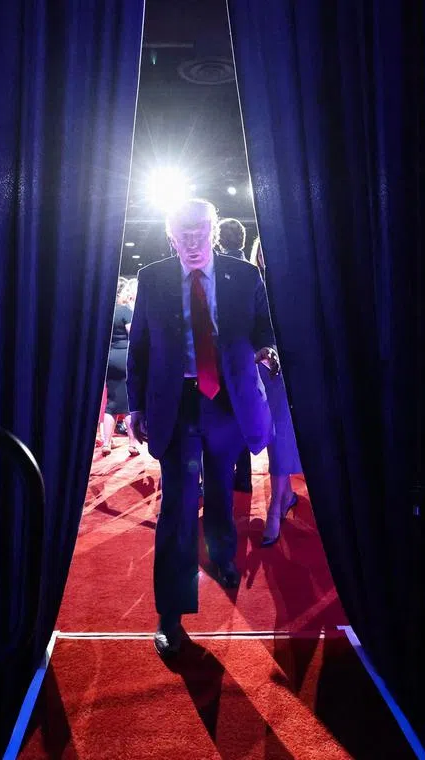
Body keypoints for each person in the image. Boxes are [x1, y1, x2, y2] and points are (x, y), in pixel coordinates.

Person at [126, 199, 280, 656]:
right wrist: (135, 406)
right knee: (176, 503)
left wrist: (267, 351)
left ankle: (222, 556)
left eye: (199, 232)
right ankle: (170, 613)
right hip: (176, 403)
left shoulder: (245, 277)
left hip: (228, 402)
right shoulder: (152, 278)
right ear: (170, 236)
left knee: (221, 487)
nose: (192, 242)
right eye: (182, 233)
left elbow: (265, 329)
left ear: (213, 232)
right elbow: (140, 347)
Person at [250, 237, 303, 546]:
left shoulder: (297, 285)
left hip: (292, 368)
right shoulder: (253, 286)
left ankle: (276, 505)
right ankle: (282, 498)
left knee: (282, 435)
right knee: (275, 436)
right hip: (263, 369)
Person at [217, 218, 255, 492]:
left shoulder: (213, 269)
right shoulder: (252, 271)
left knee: (217, 418)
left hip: (216, 357)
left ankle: (219, 477)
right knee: (243, 415)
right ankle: (243, 477)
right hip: (246, 356)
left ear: (219, 239)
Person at [101, 278, 139, 455]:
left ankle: (106, 442)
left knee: (112, 403)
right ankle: (133, 443)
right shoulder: (125, 311)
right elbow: (133, 335)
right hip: (124, 357)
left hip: (109, 358)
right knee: (129, 401)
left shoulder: (106, 312)